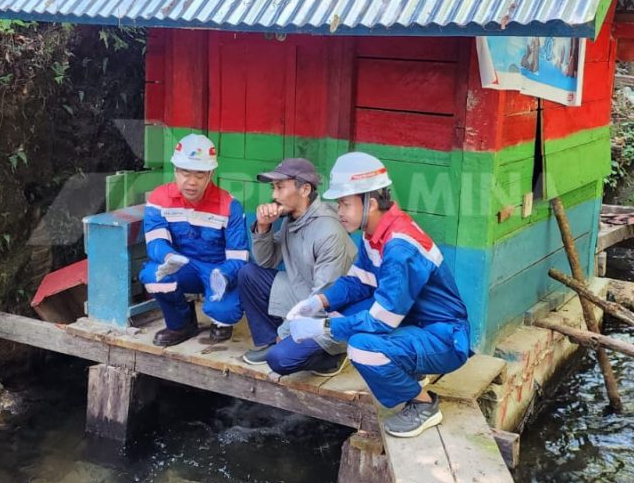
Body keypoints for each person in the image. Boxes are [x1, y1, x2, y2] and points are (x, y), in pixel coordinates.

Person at [286, 151, 471, 437]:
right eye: (338, 203)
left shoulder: (399, 247)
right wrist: (318, 302)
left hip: (444, 337)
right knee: (342, 313)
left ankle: (423, 405)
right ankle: (408, 370)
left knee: (361, 347)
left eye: (345, 203)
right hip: (417, 324)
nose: (339, 211)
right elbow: (357, 283)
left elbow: (382, 322)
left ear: (370, 202)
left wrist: (321, 326)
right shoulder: (377, 233)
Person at [237, 158, 355, 376]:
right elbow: (266, 261)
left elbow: (325, 297)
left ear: (305, 189)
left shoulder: (328, 230)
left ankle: (333, 356)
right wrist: (263, 227)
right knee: (248, 274)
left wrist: (286, 331)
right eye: (274, 188)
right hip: (303, 291)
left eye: (280, 187)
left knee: (280, 359)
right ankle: (271, 341)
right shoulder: (292, 218)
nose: (274, 195)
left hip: (331, 310)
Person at [140, 133, 248, 346]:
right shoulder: (159, 199)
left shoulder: (229, 205)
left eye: (199, 175)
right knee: (154, 276)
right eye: (185, 173)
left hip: (218, 271)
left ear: (210, 174)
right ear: (175, 171)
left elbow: (239, 257)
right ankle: (180, 324)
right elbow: (155, 242)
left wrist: (223, 274)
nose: (191, 182)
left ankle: (221, 321)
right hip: (182, 265)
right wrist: (168, 256)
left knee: (224, 311)